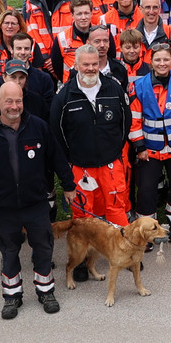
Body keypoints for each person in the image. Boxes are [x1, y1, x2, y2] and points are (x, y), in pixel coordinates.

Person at [0, 80, 60, 318]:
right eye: (8, 101)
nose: (14, 106)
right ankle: (12, 297)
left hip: (35, 203)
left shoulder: (38, 127)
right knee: (9, 251)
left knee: (43, 247)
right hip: (4, 207)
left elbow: (56, 157)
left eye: (18, 101)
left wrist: (69, 185)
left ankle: (46, 291)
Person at [55, 42, 131, 226]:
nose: (90, 69)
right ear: (76, 66)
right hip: (80, 168)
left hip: (111, 164)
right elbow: (57, 132)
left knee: (116, 208)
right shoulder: (64, 96)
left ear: (99, 64)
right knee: (83, 214)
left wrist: (113, 149)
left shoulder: (114, 89)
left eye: (94, 64)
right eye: (85, 65)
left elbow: (125, 123)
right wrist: (72, 158)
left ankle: (120, 253)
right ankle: (86, 254)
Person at [127, 44, 171, 241]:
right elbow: (134, 120)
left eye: (166, 60)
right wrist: (139, 147)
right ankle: (146, 233)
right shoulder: (138, 86)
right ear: (151, 62)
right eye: (158, 60)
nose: (162, 63)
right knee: (146, 191)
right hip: (150, 151)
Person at [23, 0, 77, 74]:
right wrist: (46, 58)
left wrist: (59, 56)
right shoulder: (31, 1)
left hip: (68, 57)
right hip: (43, 61)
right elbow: (32, 31)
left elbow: (76, 28)